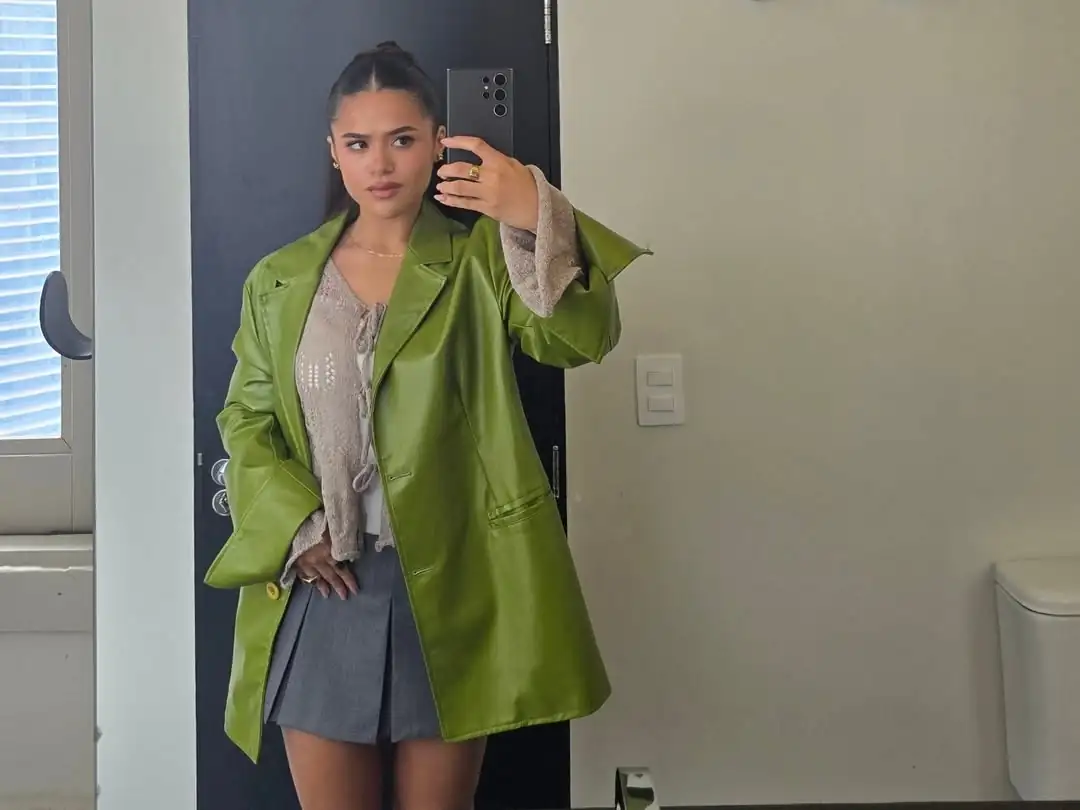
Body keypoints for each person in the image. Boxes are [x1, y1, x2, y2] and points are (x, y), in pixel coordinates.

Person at [203, 41, 650, 810]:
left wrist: (531, 210)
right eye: (358, 143)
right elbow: (245, 419)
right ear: (333, 151)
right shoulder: (278, 280)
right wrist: (296, 527)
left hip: (452, 587)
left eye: (403, 139)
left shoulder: (481, 260)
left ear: (438, 141)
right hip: (323, 583)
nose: (380, 164)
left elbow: (581, 339)